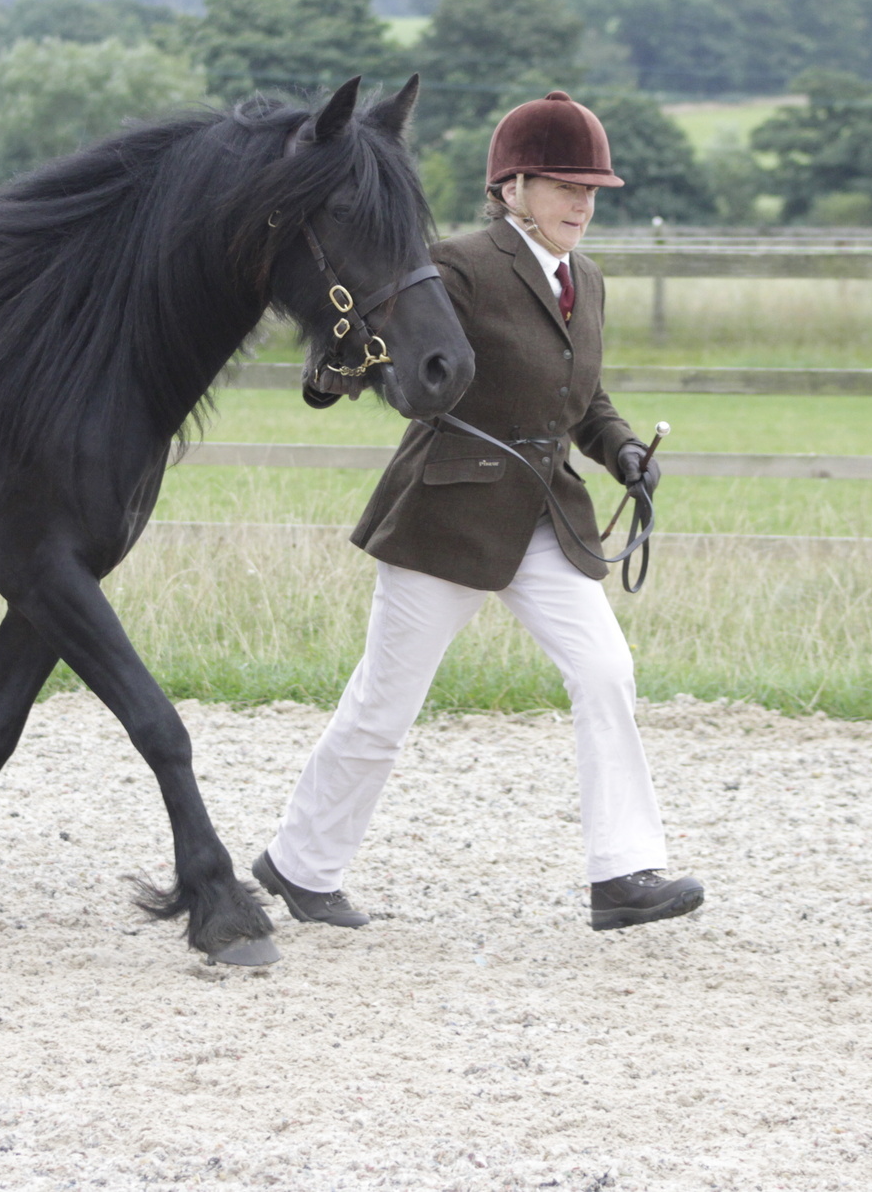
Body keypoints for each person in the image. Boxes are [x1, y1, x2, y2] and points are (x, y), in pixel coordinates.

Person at [253, 91, 704, 933]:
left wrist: (623, 452)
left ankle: (623, 873)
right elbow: (388, 338)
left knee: (606, 671)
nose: (584, 203)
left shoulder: (588, 281)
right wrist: (335, 372)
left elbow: (584, 395)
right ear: (512, 187)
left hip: (545, 517)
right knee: (385, 704)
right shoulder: (457, 264)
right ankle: (298, 863)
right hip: (445, 519)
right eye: (567, 186)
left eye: (593, 189)